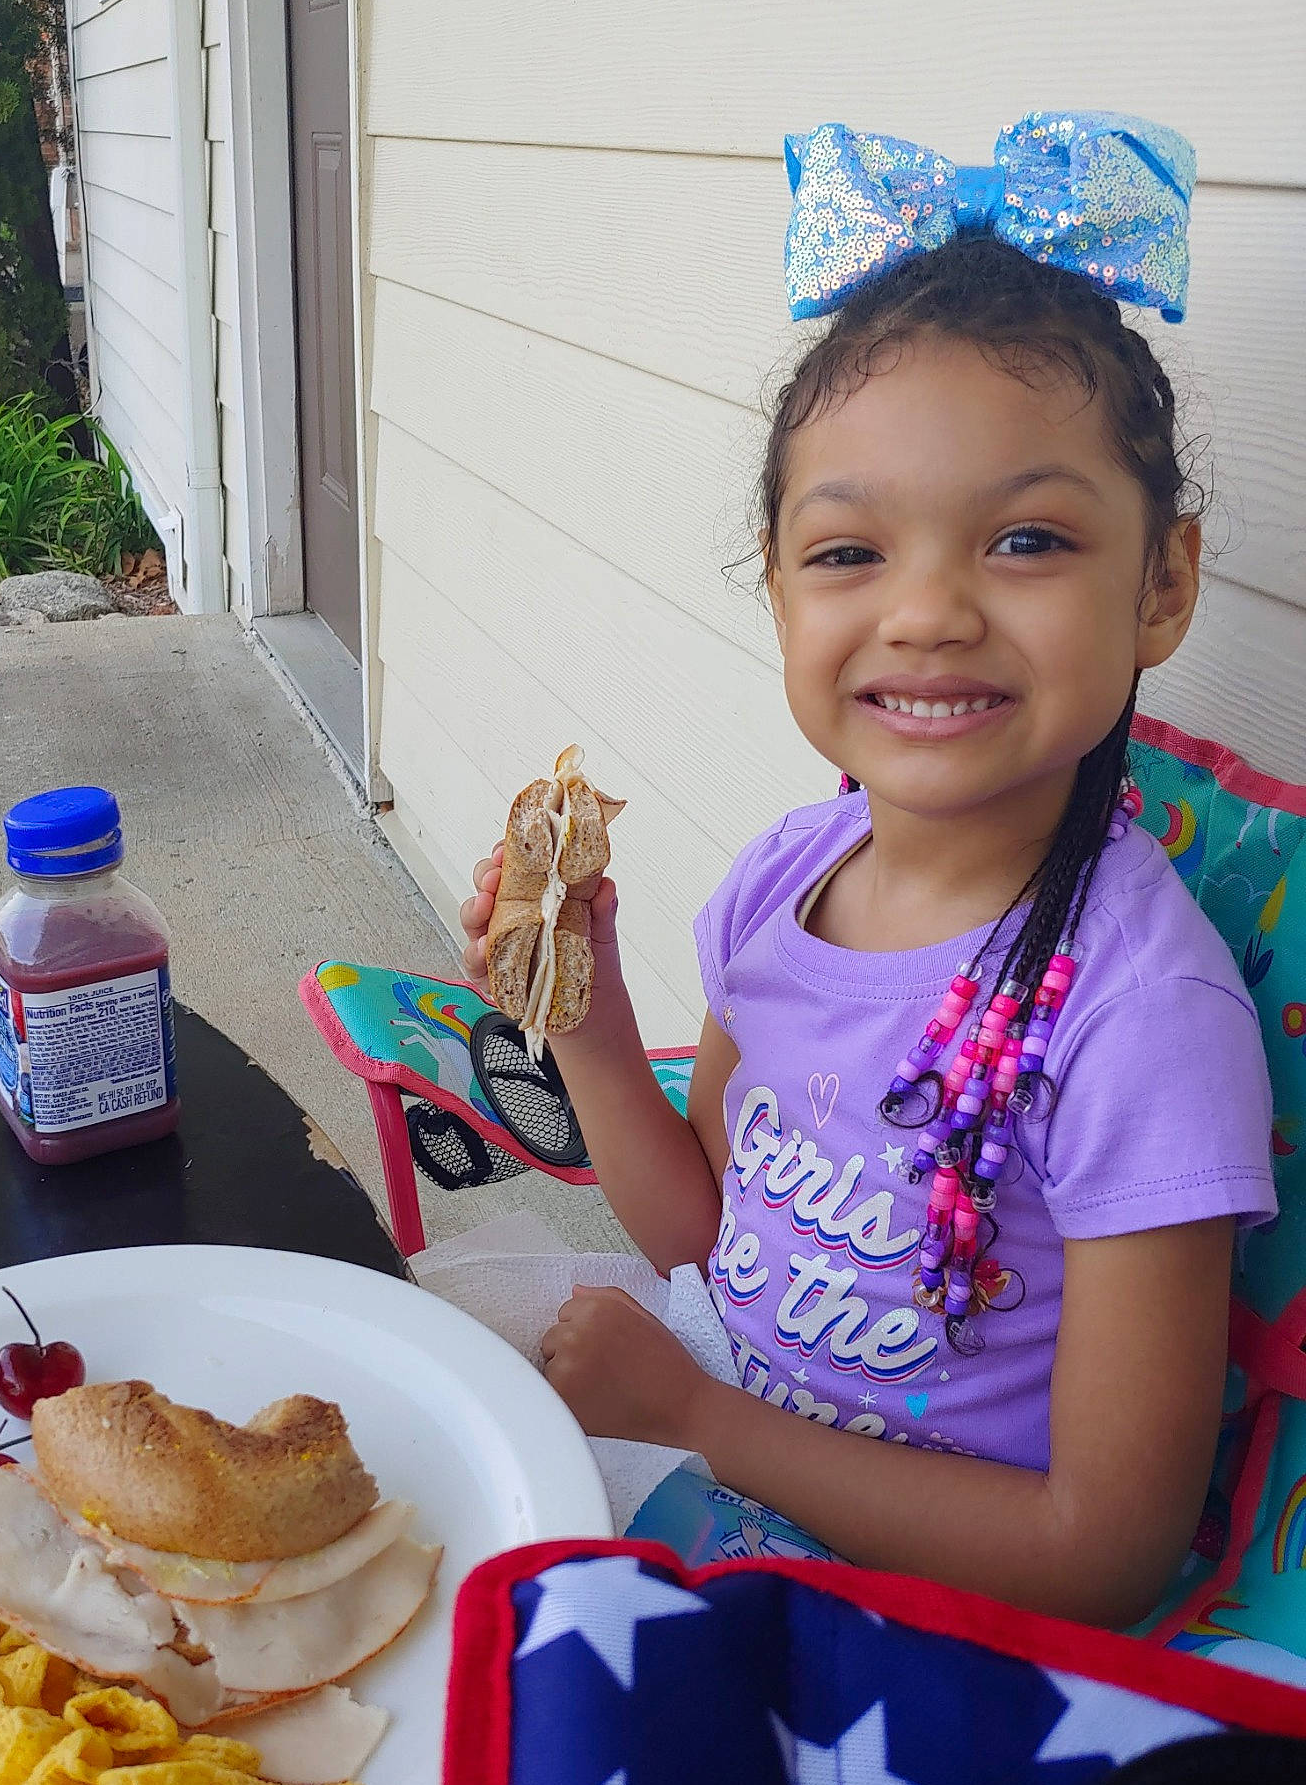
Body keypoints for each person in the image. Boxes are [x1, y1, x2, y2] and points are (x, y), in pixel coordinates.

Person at [458, 117, 1277, 1627]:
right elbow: (700, 1238)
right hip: (731, 1490)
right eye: (847, 554)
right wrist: (576, 1013)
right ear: (775, 586)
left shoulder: (1142, 1019)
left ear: (1162, 584)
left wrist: (703, 1423)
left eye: (1025, 539)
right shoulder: (786, 878)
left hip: (937, 1631)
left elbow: (1107, 1551)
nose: (926, 614)